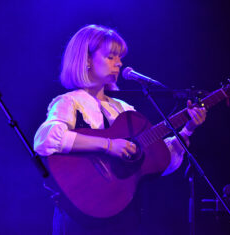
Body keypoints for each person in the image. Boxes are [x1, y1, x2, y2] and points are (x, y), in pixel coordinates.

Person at [34, 24, 207, 235]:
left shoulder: (123, 110)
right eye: (110, 57)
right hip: (79, 217)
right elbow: (45, 140)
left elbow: (160, 163)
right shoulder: (69, 102)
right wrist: (108, 145)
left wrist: (188, 129)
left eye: (120, 57)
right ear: (87, 60)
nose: (119, 63)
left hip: (123, 215)